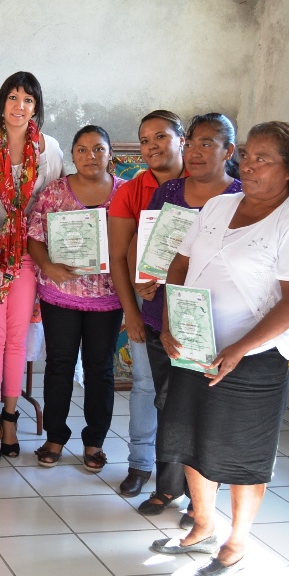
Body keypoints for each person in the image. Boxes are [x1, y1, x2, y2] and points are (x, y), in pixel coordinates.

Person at [150, 122, 289, 576]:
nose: (248, 165)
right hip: (196, 348)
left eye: (263, 158)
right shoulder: (218, 205)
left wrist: (240, 348)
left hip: (257, 359)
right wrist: (169, 322)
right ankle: (203, 525)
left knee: (242, 453)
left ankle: (237, 542)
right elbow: (181, 263)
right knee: (191, 437)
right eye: (247, 155)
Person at [136, 113, 241, 519]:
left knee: (209, 409)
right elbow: (152, 247)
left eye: (208, 143)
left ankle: (203, 500)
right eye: (193, 142)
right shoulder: (169, 192)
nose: (196, 151)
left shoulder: (241, 199)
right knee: (169, 403)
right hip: (163, 314)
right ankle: (168, 488)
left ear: (228, 151)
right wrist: (144, 280)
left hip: (216, 323)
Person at [0, 72, 64, 460]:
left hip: (26, 253)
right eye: (12, 97)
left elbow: (53, 200)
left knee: (17, 339)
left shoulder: (49, 149)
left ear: (35, 107)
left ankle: (10, 419)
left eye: (27, 100)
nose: (18, 106)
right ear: (1, 103)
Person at [26, 125, 124, 470]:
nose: (90, 156)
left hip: (109, 296)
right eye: (81, 149)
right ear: (72, 155)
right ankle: (55, 437)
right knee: (59, 365)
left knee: (100, 369)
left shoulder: (125, 193)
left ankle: (94, 441)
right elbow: (34, 237)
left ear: (110, 154)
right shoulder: (55, 192)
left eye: (98, 149)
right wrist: (48, 266)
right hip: (60, 294)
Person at [107, 110, 186, 497]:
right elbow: (119, 257)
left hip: (192, 304)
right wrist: (132, 313)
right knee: (144, 384)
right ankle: (140, 463)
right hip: (149, 303)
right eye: (144, 140)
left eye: (161, 137)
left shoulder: (205, 185)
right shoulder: (131, 191)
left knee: (188, 390)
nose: (152, 146)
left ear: (182, 140)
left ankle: (184, 476)